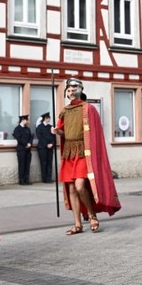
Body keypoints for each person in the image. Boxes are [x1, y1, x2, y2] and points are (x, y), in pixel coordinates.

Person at [54, 78, 120, 234]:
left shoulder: (88, 108)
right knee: (71, 189)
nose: (70, 93)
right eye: (68, 90)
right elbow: (65, 132)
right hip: (69, 152)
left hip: (84, 153)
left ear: (80, 90)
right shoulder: (64, 111)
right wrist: (57, 132)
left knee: (80, 186)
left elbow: (95, 133)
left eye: (73, 89)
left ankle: (91, 214)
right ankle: (77, 224)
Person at [13, 115, 34, 185]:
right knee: (22, 165)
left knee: (27, 165)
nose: (27, 121)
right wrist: (26, 144)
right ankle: (21, 180)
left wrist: (30, 143)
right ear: (22, 120)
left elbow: (31, 137)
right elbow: (19, 138)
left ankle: (27, 179)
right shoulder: (17, 129)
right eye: (26, 120)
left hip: (28, 150)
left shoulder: (27, 129)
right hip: (21, 150)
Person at [35, 113, 55, 184]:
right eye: (47, 118)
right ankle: (44, 178)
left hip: (50, 147)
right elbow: (40, 137)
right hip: (42, 147)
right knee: (44, 163)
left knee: (49, 162)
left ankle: (49, 178)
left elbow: (53, 136)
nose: (49, 119)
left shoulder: (50, 127)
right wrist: (46, 144)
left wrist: (52, 143)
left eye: (49, 118)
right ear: (44, 119)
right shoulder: (39, 127)